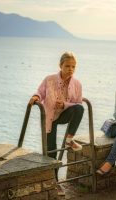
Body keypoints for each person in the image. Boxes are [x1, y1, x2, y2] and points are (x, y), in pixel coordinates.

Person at [29, 52, 84, 195]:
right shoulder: (49, 79)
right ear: (60, 65)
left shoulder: (77, 84)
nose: (70, 69)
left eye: (73, 66)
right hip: (50, 119)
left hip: (63, 114)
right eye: (67, 66)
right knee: (51, 153)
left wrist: (64, 105)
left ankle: (69, 140)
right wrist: (35, 97)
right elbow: (40, 92)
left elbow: (77, 103)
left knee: (80, 108)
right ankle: (54, 182)